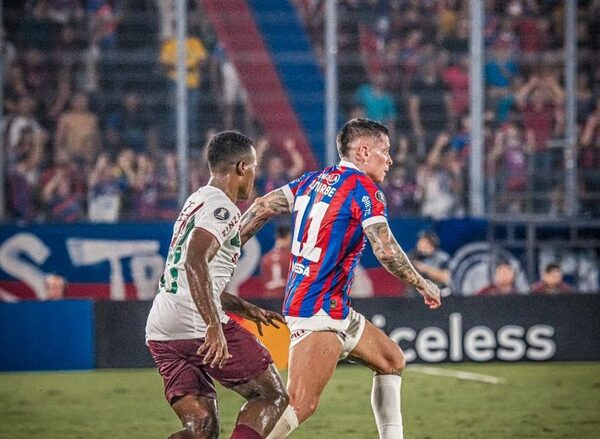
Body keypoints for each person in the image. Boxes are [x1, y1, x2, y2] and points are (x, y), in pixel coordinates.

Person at [239, 118, 441, 439]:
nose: (389, 160)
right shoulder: (365, 190)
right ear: (363, 151)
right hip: (318, 310)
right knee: (301, 403)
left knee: (391, 360)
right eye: (384, 151)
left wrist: (230, 245)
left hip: (332, 308)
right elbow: (385, 251)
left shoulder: (314, 179)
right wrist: (421, 282)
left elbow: (263, 204)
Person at [145, 131, 289, 439]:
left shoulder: (196, 201)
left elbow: (192, 277)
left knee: (201, 431)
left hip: (161, 328)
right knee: (272, 395)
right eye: (254, 167)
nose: (255, 174)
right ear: (241, 168)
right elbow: (194, 262)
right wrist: (213, 325)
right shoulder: (221, 208)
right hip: (195, 324)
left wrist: (243, 307)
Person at [410, 230, 452, 297]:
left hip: (440, 295)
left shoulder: (442, 257)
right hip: (418, 296)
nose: (420, 244)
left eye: (425, 242)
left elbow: (444, 277)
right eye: (420, 241)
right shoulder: (413, 256)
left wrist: (424, 268)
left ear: (432, 244)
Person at [260, 225, 292, 298]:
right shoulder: (291, 257)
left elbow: (263, 280)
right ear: (288, 237)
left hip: (269, 297)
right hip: (286, 297)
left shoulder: (266, 258)